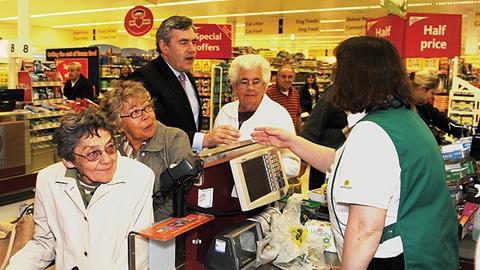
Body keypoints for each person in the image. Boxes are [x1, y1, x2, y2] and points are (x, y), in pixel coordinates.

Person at [252, 36, 458, 269]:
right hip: (424, 251)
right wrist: (292, 142)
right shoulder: (402, 117)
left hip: (392, 258)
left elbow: (365, 228)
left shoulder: (372, 133)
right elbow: (342, 164)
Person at [6, 108, 154, 270]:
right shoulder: (48, 180)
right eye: (93, 154)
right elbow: (45, 241)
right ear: (69, 161)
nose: (107, 160)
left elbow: (139, 250)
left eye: (110, 147)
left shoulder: (139, 177)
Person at [130, 15, 239, 152]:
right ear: (164, 46)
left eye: (194, 42)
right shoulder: (144, 79)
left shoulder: (186, 75)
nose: (192, 49)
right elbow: (149, 129)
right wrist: (203, 139)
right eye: (183, 42)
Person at [100, 80, 194, 222]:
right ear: (118, 125)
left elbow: (178, 198)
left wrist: (144, 226)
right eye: (135, 113)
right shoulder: (114, 151)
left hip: (160, 233)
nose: (146, 116)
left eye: (147, 107)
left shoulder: (174, 138)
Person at [214, 54, 300, 178]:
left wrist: (254, 165)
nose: (250, 87)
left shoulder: (278, 115)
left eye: (256, 82)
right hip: (223, 189)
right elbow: (215, 154)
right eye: (244, 82)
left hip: (261, 192)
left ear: (264, 85)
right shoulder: (225, 112)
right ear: (235, 86)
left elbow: (293, 166)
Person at [301, 85, 348, 189]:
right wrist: (303, 159)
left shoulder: (367, 94)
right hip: (324, 157)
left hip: (344, 159)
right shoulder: (335, 92)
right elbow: (313, 124)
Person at [410, 70, 465, 144]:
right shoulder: (404, 107)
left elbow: (438, 117)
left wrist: (462, 130)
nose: (434, 97)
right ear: (422, 89)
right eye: (432, 93)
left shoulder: (421, 104)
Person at [266, 65, 302, 134]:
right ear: (278, 78)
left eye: (290, 77)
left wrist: (300, 135)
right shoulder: (269, 94)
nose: (287, 80)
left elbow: (298, 116)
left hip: (292, 136)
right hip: (275, 137)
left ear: (294, 78)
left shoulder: (295, 93)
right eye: (283, 76)